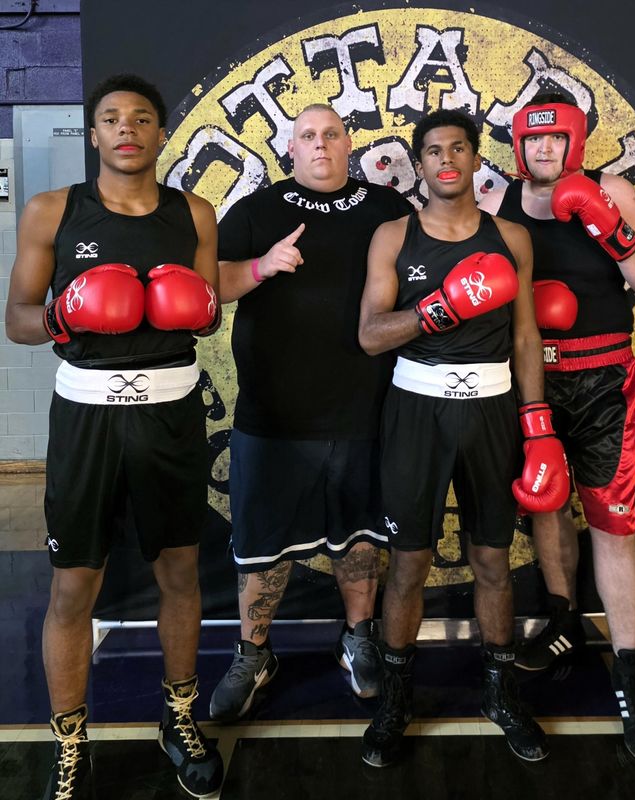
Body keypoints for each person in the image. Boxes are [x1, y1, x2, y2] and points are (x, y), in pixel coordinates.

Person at [5, 74, 224, 799]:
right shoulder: (49, 211)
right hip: (87, 418)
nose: (126, 128)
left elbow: (205, 314)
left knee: (180, 574)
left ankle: (180, 717)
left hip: (171, 414)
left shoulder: (194, 211)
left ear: (162, 135)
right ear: (94, 134)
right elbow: (18, 319)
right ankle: (70, 742)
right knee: (74, 587)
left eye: (141, 119)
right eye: (110, 119)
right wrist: (68, 314)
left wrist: (193, 307)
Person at [358, 108, 569, 768]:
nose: (447, 159)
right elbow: (369, 335)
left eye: (458, 148)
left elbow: (527, 336)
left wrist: (537, 428)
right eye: (433, 150)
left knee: (491, 561)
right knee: (410, 565)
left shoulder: (511, 238)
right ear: (417, 165)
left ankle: (500, 695)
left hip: (493, 410)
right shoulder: (394, 236)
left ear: (477, 160)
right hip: (416, 409)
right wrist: (441, 306)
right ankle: (396, 699)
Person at [478, 92, 635, 764]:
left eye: (555, 140)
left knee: (614, 524)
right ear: (516, 143)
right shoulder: (494, 199)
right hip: (527, 383)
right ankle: (564, 620)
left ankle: (631, 681)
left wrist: (608, 227)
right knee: (545, 505)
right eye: (532, 141)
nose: (543, 152)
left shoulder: (611, 189)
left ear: (576, 142)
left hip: (601, 382)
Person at [208, 104, 414, 720]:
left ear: (348, 144)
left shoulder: (388, 209)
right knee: (262, 549)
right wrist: (261, 266)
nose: (320, 145)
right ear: (289, 148)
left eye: (330, 134)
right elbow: (208, 286)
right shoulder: (258, 209)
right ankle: (254, 652)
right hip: (274, 413)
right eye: (307, 136)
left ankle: (358, 637)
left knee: (360, 538)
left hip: (365, 409)